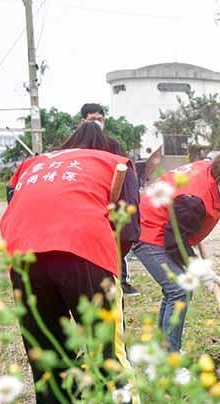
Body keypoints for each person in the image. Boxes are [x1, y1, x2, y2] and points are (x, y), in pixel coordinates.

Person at [0, 123, 137, 404]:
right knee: (110, 360)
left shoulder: (33, 164)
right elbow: (129, 229)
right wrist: (110, 266)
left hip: (22, 257)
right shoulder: (116, 162)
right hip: (84, 252)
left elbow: (16, 205)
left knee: (49, 363)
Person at [134, 151, 220, 352]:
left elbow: (180, 232)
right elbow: (174, 242)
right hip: (149, 231)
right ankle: (169, 358)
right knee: (179, 289)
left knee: (175, 290)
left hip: (165, 227)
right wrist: (201, 270)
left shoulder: (210, 169)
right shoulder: (194, 200)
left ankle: (163, 347)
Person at [80, 102, 142, 296]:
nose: (97, 123)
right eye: (92, 120)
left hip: (110, 197)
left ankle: (121, 279)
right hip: (87, 198)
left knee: (114, 238)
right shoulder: (77, 145)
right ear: (83, 122)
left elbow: (123, 171)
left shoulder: (111, 145)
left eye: (100, 119)